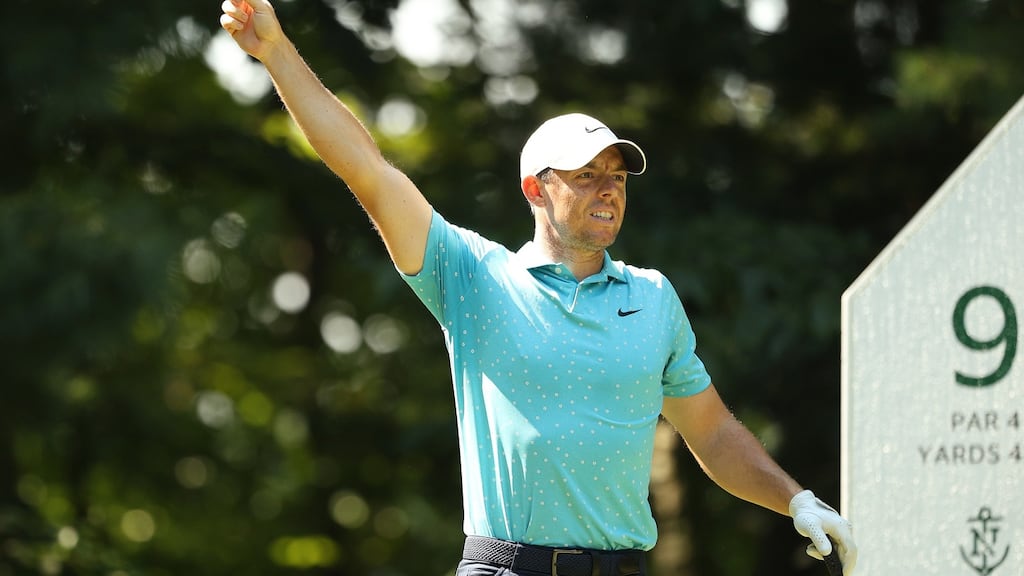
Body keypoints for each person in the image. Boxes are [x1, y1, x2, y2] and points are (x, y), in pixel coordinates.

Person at [218, 1, 858, 574]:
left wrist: (795, 499)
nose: (607, 189)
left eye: (617, 177)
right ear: (536, 189)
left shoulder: (654, 297)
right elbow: (368, 171)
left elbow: (712, 433)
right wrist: (275, 51)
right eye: (585, 175)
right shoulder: (471, 276)